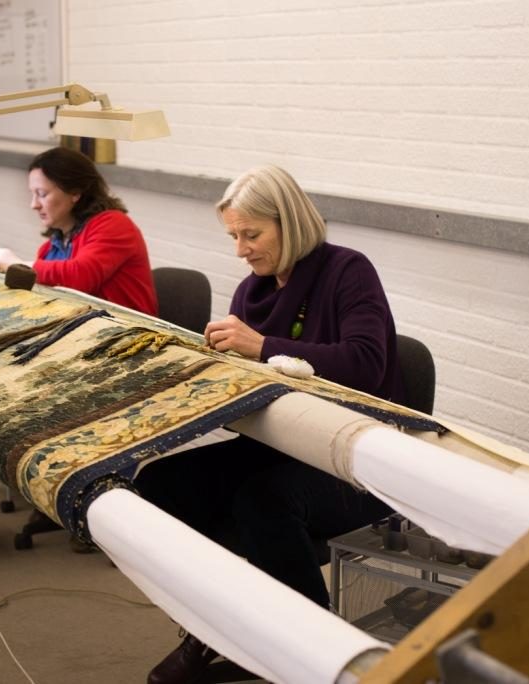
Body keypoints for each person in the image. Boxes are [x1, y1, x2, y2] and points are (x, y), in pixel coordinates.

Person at [135, 165, 404, 684]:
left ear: (290, 223)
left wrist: (263, 348)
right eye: (234, 236)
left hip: (357, 456)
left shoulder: (349, 272)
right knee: (159, 486)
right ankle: (223, 629)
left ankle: (317, 653)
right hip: (282, 444)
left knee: (263, 501)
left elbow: (366, 365)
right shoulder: (250, 293)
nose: (241, 249)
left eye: (252, 235)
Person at [0, 146, 158, 316]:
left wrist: (19, 266)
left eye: (42, 194)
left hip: (130, 334)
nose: (34, 205)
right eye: (32, 194)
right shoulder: (49, 250)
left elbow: (80, 277)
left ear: (75, 192)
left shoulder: (114, 224)